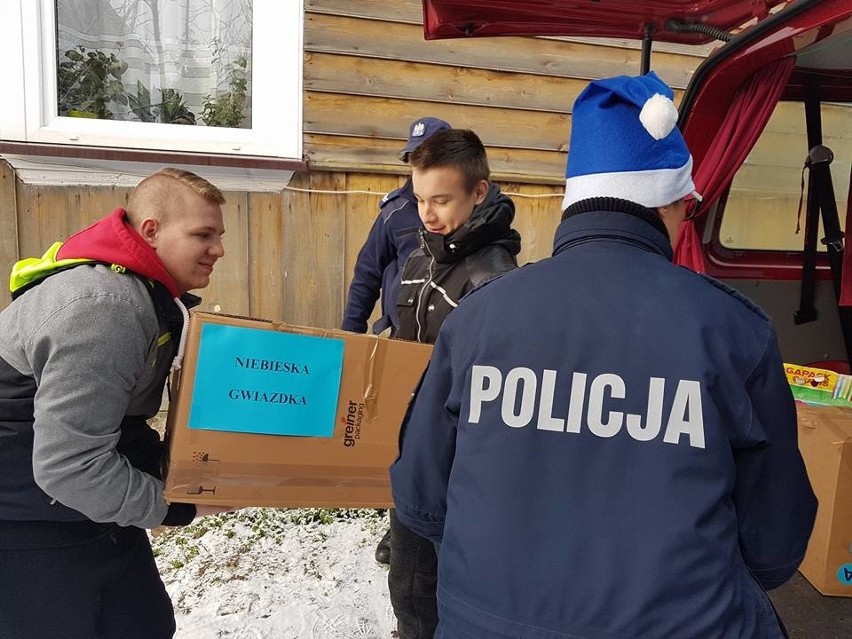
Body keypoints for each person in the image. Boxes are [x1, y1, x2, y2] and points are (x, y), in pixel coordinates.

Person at [390, 73, 817, 639]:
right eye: (685, 208)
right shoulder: (734, 330)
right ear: (666, 201)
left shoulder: (476, 319)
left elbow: (420, 501)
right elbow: (775, 546)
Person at [0, 167, 229, 639]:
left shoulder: (142, 293)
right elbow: (68, 466)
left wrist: (180, 475)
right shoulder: (107, 307)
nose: (219, 249)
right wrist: (175, 507)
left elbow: (114, 421)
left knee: (144, 623)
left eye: (219, 235)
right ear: (151, 230)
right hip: (27, 523)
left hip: (80, 506)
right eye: (203, 234)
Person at [389, 127, 521, 639]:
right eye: (419, 198)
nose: (426, 213)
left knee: (442, 585)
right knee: (407, 581)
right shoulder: (423, 256)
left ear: (479, 192)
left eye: (441, 200)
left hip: (459, 461)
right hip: (411, 448)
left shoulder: (495, 275)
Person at [342, 116, 450, 567]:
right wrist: (350, 333)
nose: (418, 166)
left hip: (447, 341)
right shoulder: (394, 213)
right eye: (413, 159)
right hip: (399, 340)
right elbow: (368, 273)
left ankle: (439, 527)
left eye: (429, 158)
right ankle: (399, 526)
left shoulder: (467, 207)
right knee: (399, 436)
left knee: (440, 439)